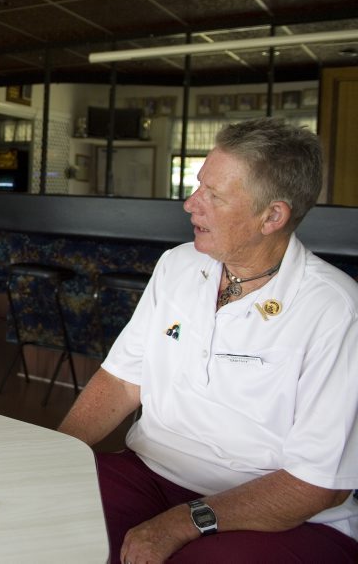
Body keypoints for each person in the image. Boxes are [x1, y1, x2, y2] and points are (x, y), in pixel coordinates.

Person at [57, 118, 358, 562]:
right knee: (41, 519)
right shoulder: (177, 266)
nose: (190, 204)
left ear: (272, 216)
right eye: (199, 186)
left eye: (212, 196)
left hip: (276, 510)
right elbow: (122, 381)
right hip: (149, 471)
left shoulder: (336, 310)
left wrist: (180, 522)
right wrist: (52, 454)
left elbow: (317, 487)